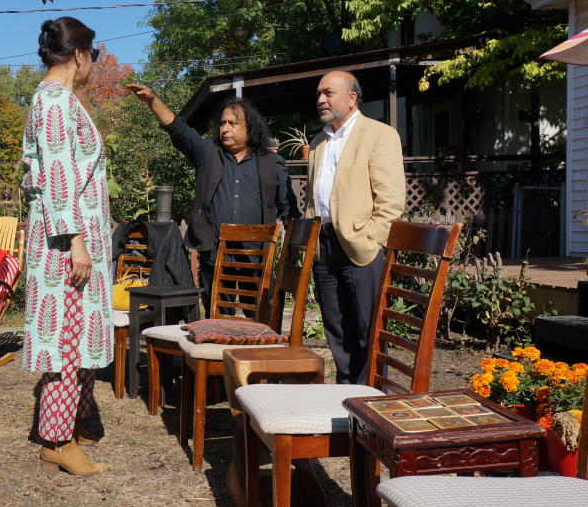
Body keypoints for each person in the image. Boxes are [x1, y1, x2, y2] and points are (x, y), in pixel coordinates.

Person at [22, 17, 113, 476]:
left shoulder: (59, 101)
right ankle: (56, 441)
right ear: (79, 53)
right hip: (66, 243)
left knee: (77, 341)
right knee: (67, 343)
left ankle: (71, 423)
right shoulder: (55, 102)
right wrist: (77, 242)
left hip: (74, 237)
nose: (93, 64)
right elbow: (58, 179)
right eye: (93, 54)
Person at [126, 85, 297, 311]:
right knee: (217, 318)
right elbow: (179, 129)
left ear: (250, 128)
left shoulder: (270, 162)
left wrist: (293, 254)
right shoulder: (208, 153)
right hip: (214, 254)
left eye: (233, 123)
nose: (225, 129)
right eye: (223, 123)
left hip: (257, 255)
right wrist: (152, 101)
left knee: (260, 318)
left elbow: (289, 208)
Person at [305, 70, 405, 383]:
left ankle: (370, 403)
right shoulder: (319, 142)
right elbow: (313, 198)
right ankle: (345, 394)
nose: (321, 99)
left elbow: (390, 202)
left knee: (367, 329)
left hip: (361, 247)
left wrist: (372, 240)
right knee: (336, 327)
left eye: (328, 93)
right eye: (319, 93)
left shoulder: (379, 135)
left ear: (351, 99)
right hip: (324, 247)